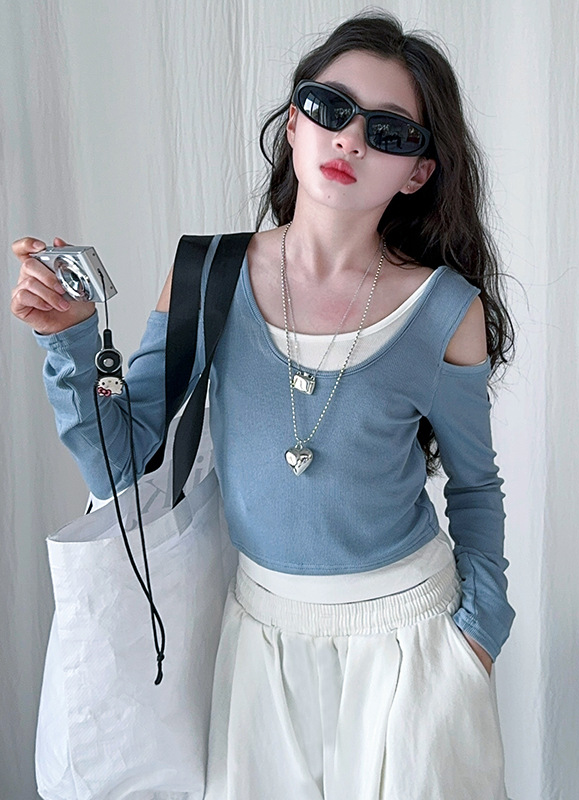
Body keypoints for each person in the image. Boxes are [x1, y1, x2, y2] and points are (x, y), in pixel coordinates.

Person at [11, 11, 515, 800]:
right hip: (259, 644)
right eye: (330, 108)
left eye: (388, 131)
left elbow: (476, 485)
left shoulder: (446, 310)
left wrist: (478, 634)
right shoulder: (206, 274)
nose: (350, 139)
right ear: (293, 124)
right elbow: (120, 463)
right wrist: (70, 341)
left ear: (418, 172)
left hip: (411, 644)